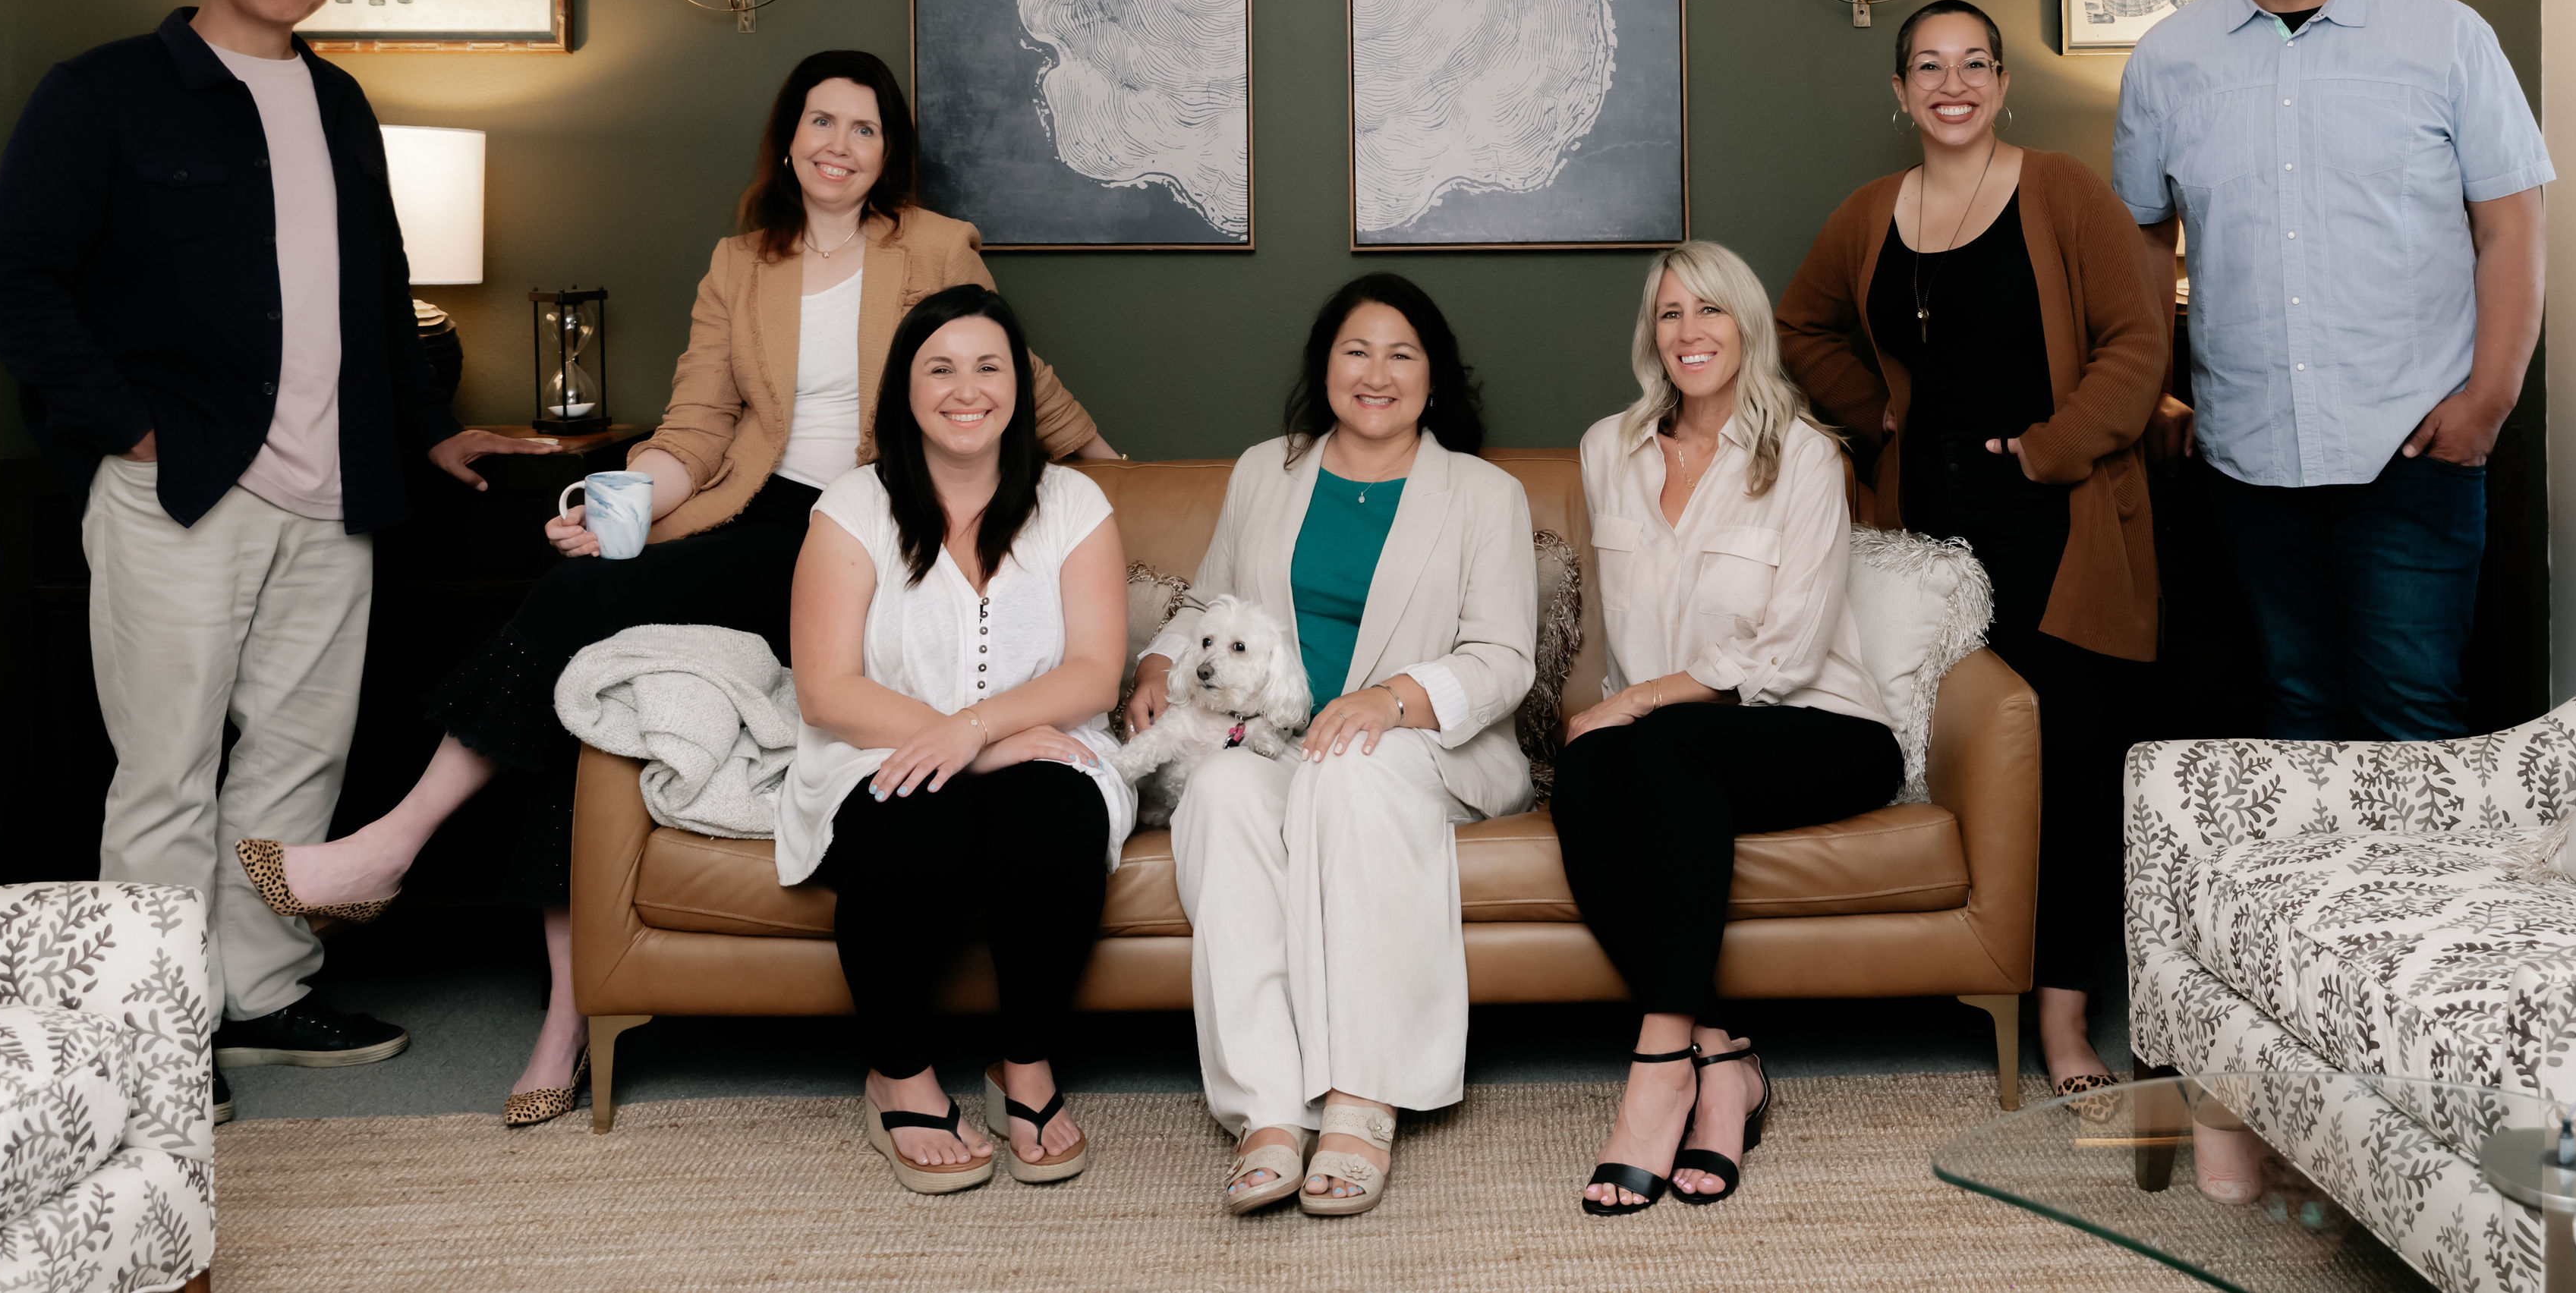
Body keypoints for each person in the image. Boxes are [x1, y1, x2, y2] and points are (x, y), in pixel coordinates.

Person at [242, 48, 1120, 1125]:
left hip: (869, 526)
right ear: (787, 138)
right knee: (594, 677)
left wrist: (1112, 471)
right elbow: (698, 427)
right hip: (763, 520)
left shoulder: (935, 246)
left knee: (576, 621)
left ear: (888, 152)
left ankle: (398, 850)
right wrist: (614, 505)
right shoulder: (739, 262)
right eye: (822, 121)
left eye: (865, 128)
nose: (840, 144)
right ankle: (562, 1002)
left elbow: (1006, 372)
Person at [0, 0, 535, 1125]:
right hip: (183, 488)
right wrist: (128, 426)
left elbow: (378, 290)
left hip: (334, 496)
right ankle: (151, 1035)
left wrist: (428, 429)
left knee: (296, 760)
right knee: (165, 771)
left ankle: (263, 993)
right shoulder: (103, 93)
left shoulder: (338, 102)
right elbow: (11, 279)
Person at [1775, 1, 2171, 1105]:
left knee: (2072, 767)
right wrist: (1880, 416)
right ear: (1899, 92)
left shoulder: (2063, 192)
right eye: (1929, 66)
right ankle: (1974, 977)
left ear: (2003, 83)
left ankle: (2063, 1016)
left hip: (2061, 532)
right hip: (1924, 544)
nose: (1953, 84)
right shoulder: (1869, 214)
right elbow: (1801, 327)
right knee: (1958, 759)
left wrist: (2048, 450)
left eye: (1975, 64)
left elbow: (2137, 346)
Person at [2114, 0, 2550, 743]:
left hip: (2415, 447)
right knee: (2291, 716)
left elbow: (2512, 224)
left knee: (2412, 717)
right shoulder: (2166, 62)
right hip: (2248, 458)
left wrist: (2488, 402)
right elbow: (2146, 236)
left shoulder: (2447, 37)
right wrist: (2150, 390)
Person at [1122, 275, 1537, 1218]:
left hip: (1429, 751)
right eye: (1357, 351)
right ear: (1325, 367)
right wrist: (1157, 664)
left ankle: (1361, 1102)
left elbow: (1504, 658)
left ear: (1433, 377)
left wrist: (1390, 701)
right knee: (1222, 791)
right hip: (1284, 752)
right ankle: (1267, 1108)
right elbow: (1207, 604)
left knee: (1353, 767)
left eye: (1401, 354)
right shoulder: (1264, 472)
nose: (1376, 374)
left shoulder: (1485, 495)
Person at [1560, 242, 1902, 1215]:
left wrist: (1636, 701)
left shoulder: (1806, 456)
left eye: (1710, 310)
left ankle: (1657, 1070)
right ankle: (1722, 1060)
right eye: (1670, 313)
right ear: (1651, 334)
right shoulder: (1607, 449)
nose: (1690, 332)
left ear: (1747, 326)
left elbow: (1789, 653)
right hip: (1672, 743)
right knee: (1586, 770)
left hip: (1820, 728)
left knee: (1654, 741)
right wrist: (1618, 714)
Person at [778, 284, 1132, 1194]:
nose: (966, 389)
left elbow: (1095, 673)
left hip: (1040, 743)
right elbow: (825, 690)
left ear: (1018, 386)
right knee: (915, 821)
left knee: (1056, 818)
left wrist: (978, 732)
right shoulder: (852, 506)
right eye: (940, 368)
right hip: (878, 745)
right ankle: (899, 1075)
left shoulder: (1074, 502)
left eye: (987, 367)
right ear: (905, 388)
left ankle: (1025, 1066)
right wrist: (973, 746)